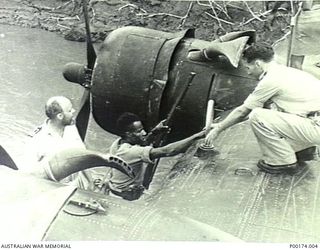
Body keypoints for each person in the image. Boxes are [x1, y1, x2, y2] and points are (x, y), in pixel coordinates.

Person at [205, 43, 320, 174]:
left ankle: (282, 162)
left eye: (248, 67)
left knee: (258, 116)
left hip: (316, 126)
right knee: (273, 110)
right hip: (314, 121)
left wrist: (218, 129)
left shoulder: (271, 80)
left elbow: (244, 111)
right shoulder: (288, 72)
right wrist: (222, 124)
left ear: (258, 64)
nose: (248, 72)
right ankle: (303, 149)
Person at [23, 96, 133, 188]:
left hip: (78, 184)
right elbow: (30, 174)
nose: (74, 112)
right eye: (70, 110)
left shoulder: (71, 128)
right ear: (60, 116)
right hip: (56, 188)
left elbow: (82, 157)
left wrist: (91, 186)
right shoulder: (38, 140)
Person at [107, 112, 205, 201]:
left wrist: (154, 133)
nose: (144, 133)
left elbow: (142, 143)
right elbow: (168, 151)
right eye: (139, 131)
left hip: (116, 191)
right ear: (128, 134)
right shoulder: (129, 152)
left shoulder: (117, 143)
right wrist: (197, 136)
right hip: (125, 199)